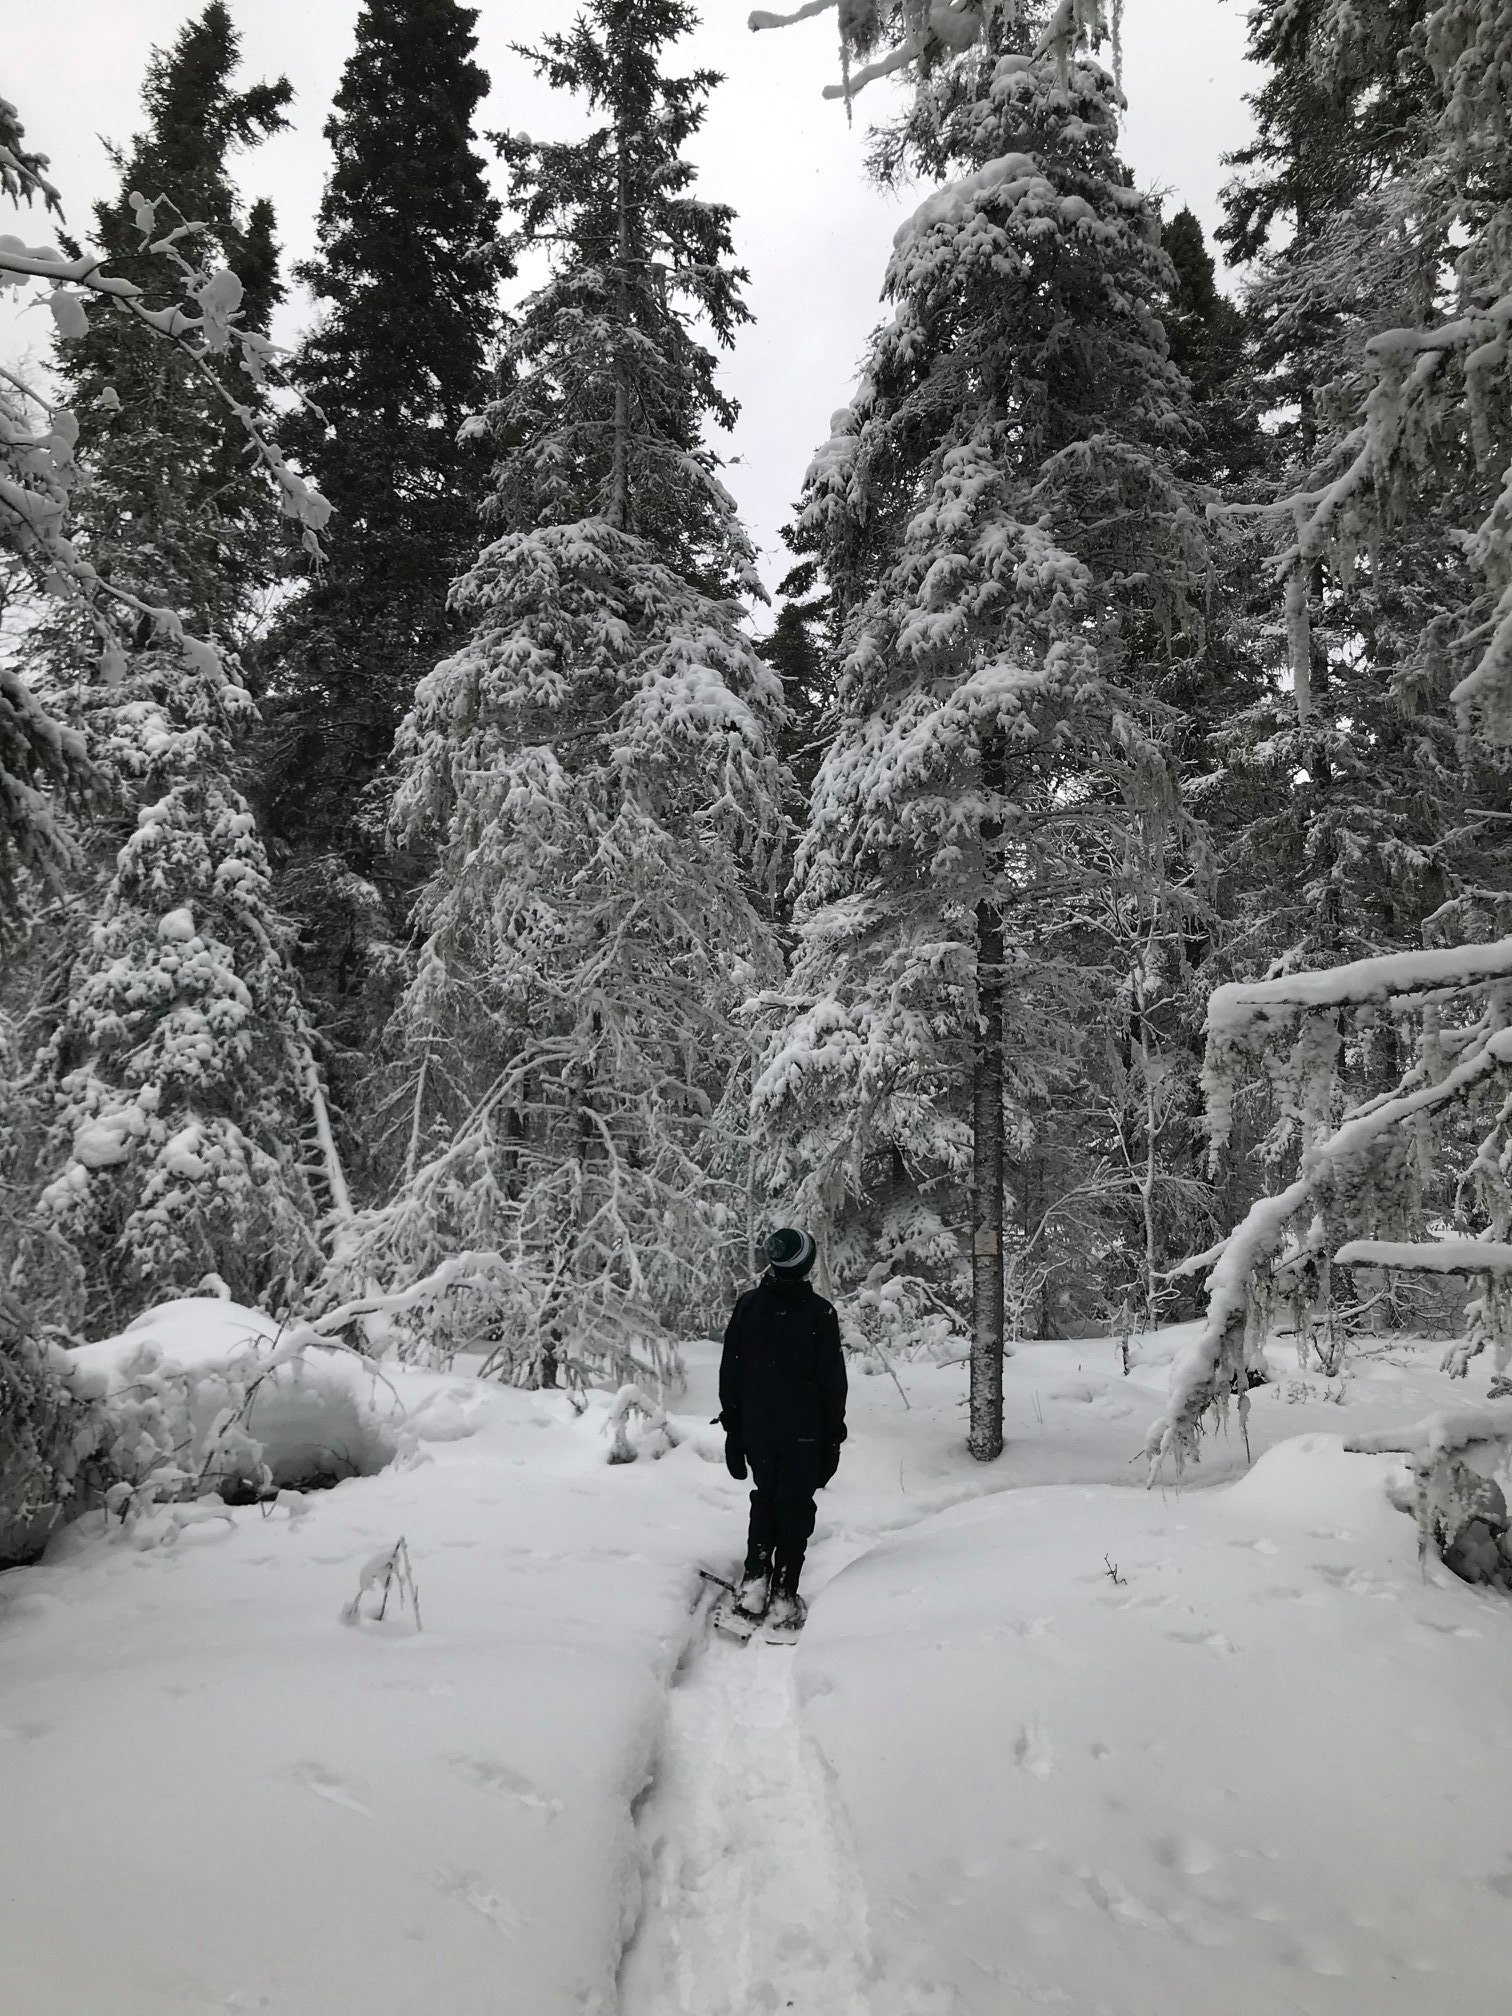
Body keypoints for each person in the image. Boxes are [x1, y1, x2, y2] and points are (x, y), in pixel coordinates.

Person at [718, 1226, 847, 1632]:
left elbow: (730, 1373)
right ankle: (783, 1596)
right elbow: (833, 1383)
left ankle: (755, 1582)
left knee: (767, 1497)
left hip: (758, 1430)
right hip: (804, 1434)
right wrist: (833, 1438)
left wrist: (734, 1429)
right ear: (807, 1264)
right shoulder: (821, 1313)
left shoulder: (748, 1306)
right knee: (795, 1505)